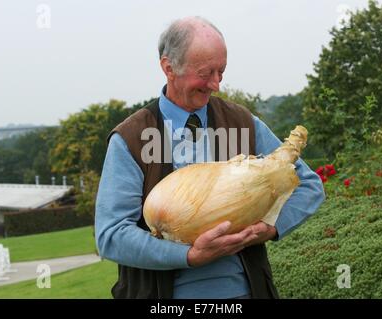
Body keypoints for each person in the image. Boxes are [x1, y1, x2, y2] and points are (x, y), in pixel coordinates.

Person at [95, 16, 325, 299]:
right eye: (205, 73)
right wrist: (189, 256)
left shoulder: (243, 123)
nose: (216, 84)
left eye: (222, 71)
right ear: (168, 68)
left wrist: (269, 228)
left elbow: (309, 185)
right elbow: (111, 235)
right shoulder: (130, 138)